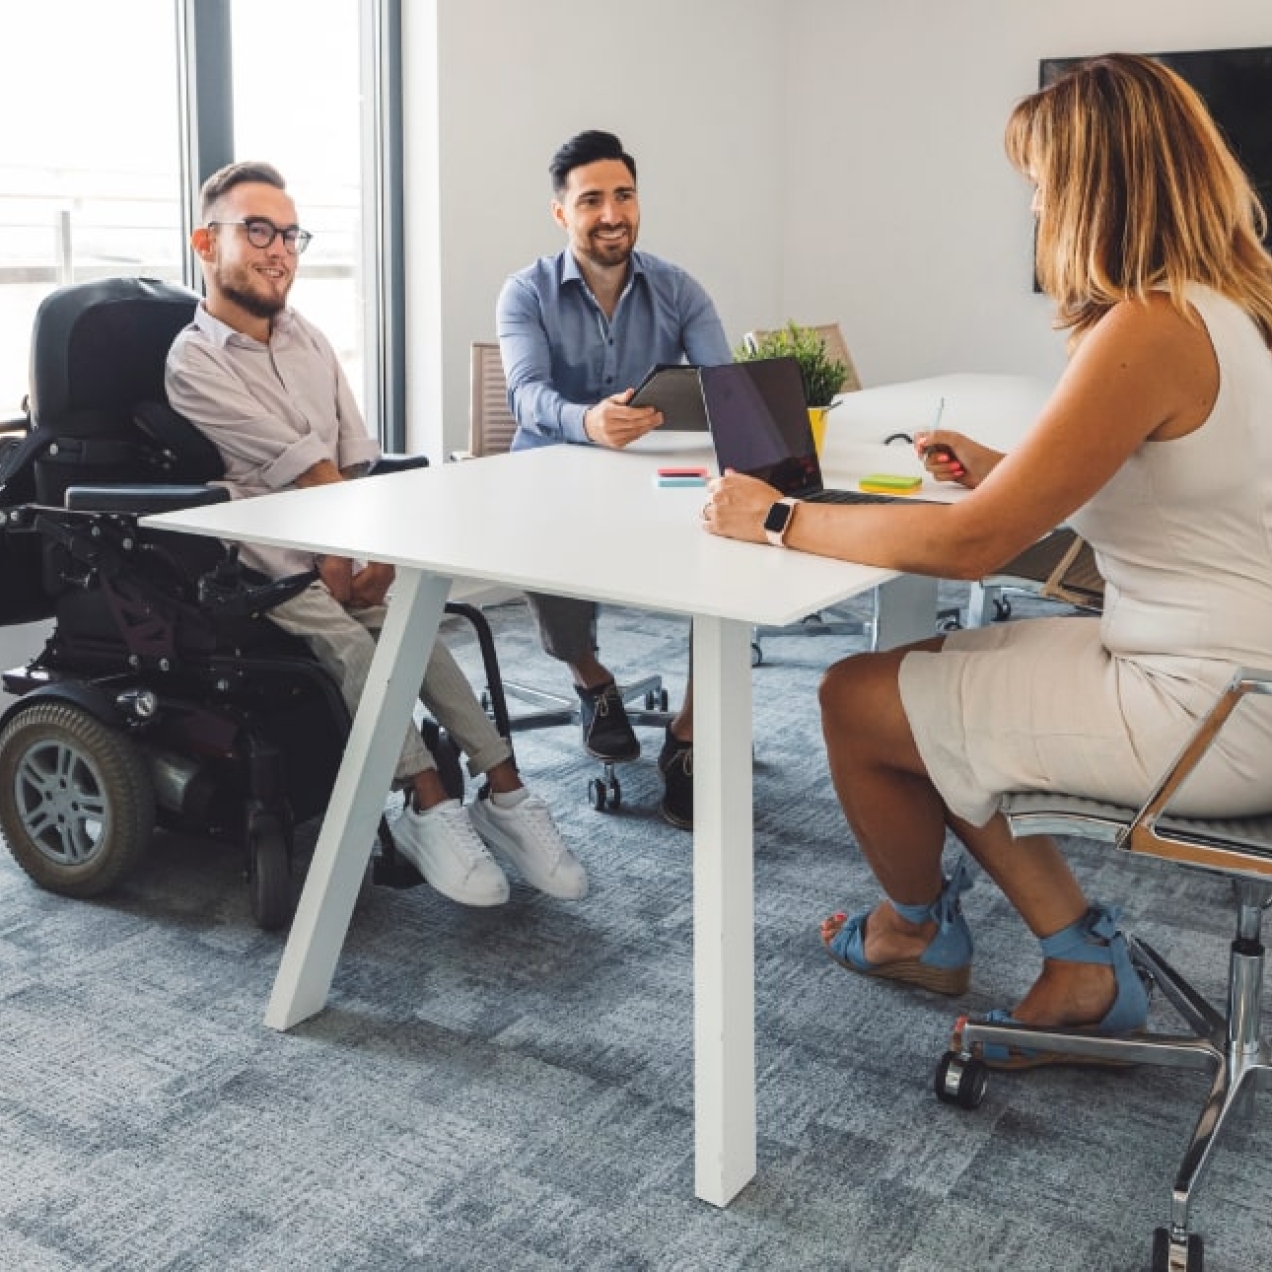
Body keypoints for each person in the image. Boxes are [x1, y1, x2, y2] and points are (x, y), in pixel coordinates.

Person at [702, 54, 1272, 1068]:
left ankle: (917, 935)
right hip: (1224, 674)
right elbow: (1175, 497)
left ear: (1097, 183)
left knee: (857, 701)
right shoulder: (1221, 311)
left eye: (1044, 184)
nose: (1037, 208)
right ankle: (1076, 957)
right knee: (937, 685)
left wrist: (779, 519)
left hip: (1210, 708)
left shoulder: (1150, 325)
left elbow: (972, 549)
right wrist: (1010, 470)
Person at [166, 160, 588, 909]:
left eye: (290, 234)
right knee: (359, 648)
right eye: (257, 230)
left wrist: (379, 564)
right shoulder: (192, 362)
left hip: (342, 546)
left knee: (420, 633)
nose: (279, 250)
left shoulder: (309, 339)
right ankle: (426, 803)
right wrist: (352, 551)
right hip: (264, 570)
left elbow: (357, 462)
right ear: (207, 242)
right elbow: (303, 471)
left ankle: (506, 792)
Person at [496, 129, 732, 830]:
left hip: (657, 476)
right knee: (533, 530)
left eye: (623, 195)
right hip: (554, 477)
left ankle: (687, 736)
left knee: (728, 536)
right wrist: (585, 422)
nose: (611, 213)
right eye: (591, 199)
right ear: (561, 213)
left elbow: (724, 388)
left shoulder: (678, 288)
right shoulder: (525, 293)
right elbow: (524, 394)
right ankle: (591, 680)